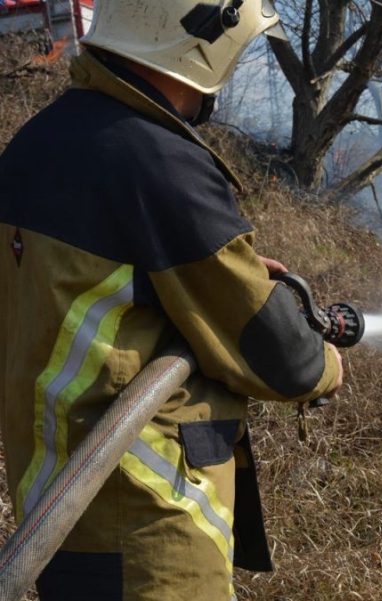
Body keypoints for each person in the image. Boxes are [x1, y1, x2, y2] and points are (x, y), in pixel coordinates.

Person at [0, 1, 345, 599]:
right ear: (206, 41)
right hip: (146, 519)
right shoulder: (158, 163)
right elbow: (283, 356)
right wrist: (327, 362)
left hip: (59, 504)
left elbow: (89, 290)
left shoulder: (39, 142)